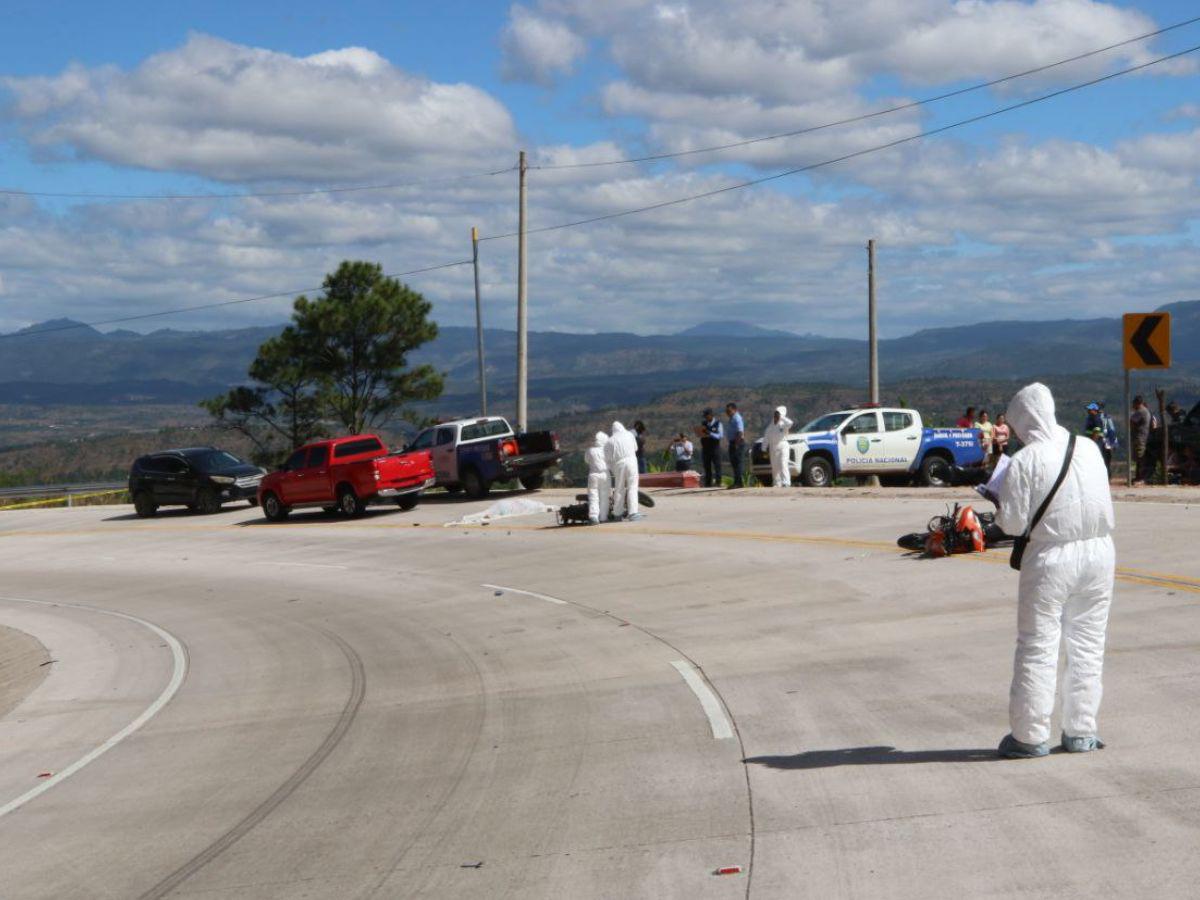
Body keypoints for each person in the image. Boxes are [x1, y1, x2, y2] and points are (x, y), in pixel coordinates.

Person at [995, 382, 1115, 759]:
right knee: (1088, 645)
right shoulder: (1089, 447)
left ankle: (1029, 736)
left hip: (1051, 558)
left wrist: (997, 499)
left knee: (1038, 644)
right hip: (1100, 553)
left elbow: (1012, 525)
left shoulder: (1025, 460)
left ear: (1024, 422)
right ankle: (1081, 731)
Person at [606, 421, 641, 520]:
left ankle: (618, 514)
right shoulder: (629, 435)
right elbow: (635, 448)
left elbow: (608, 458)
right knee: (633, 487)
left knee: (619, 488)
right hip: (632, 462)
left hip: (619, 464)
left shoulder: (610, 440)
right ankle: (633, 513)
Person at [761, 406, 794, 487]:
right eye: (775, 414)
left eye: (777, 414)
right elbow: (766, 438)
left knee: (783, 463)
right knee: (775, 466)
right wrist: (763, 449)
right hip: (773, 447)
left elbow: (790, 423)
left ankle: (786, 482)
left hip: (783, 445)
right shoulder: (770, 427)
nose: (776, 416)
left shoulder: (783, 424)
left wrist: (782, 417)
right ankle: (777, 483)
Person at [584, 432, 610, 524]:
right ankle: (603, 517)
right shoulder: (606, 450)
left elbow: (586, 460)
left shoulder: (590, 450)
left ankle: (594, 516)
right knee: (605, 496)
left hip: (593, 474)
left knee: (593, 496)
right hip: (605, 474)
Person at [698, 409, 723, 487]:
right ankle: (708, 483)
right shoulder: (704, 424)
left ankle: (718, 482)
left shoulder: (718, 424)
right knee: (707, 466)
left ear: (711, 415)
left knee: (717, 465)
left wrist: (710, 433)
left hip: (715, 448)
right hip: (705, 448)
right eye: (704, 416)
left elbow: (720, 435)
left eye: (706, 416)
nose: (705, 418)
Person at [1130, 396, 1152, 483]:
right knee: (1138, 458)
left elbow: (1131, 421)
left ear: (1138, 403)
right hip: (1142, 437)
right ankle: (1138, 477)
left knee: (1140, 457)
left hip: (1140, 437)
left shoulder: (1141, 412)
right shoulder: (1145, 411)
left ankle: (1140, 478)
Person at [726, 403, 746, 488]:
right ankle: (737, 482)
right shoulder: (731, 418)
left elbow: (740, 432)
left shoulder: (737, 418)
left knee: (738, 463)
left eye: (729, 411)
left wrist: (736, 444)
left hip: (737, 442)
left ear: (734, 410)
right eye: (726, 411)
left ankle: (738, 483)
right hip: (732, 442)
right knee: (734, 463)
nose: (727, 412)